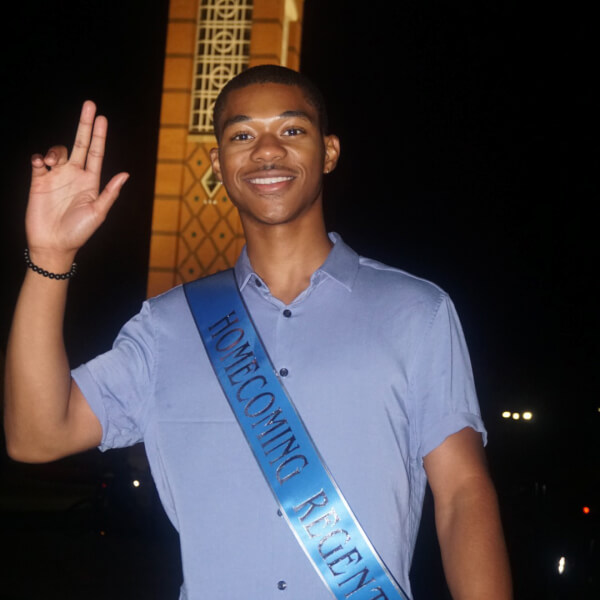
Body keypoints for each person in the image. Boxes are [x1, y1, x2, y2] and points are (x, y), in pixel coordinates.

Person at [4, 65, 511, 599]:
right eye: (242, 136)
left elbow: (461, 495)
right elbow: (36, 435)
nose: (267, 151)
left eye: (291, 130)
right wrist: (50, 256)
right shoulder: (168, 327)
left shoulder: (416, 311)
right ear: (219, 165)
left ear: (330, 151)